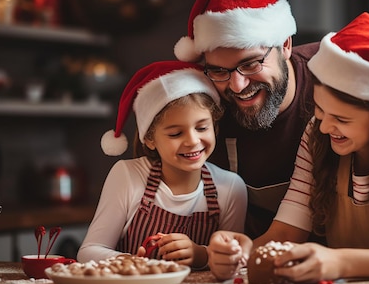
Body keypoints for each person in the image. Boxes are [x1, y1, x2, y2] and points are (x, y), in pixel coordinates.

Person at [206, 12, 369, 282]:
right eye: (321, 111)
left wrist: (343, 262)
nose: (323, 127)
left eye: (341, 118)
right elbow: (287, 234)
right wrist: (244, 252)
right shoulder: (317, 134)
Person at [174, 0, 320, 239]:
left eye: (250, 64)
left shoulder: (334, 80)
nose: (237, 86)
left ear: (285, 44)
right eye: (219, 71)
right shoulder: (205, 108)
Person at [77, 61, 247, 270]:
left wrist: (201, 254)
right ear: (149, 138)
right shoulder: (128, 176)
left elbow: (233, 262)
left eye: (202, 127)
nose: (193, 141)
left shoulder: (230, 188)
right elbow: (89, 251)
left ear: (214, 126)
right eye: (176, 133)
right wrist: (133, 263)